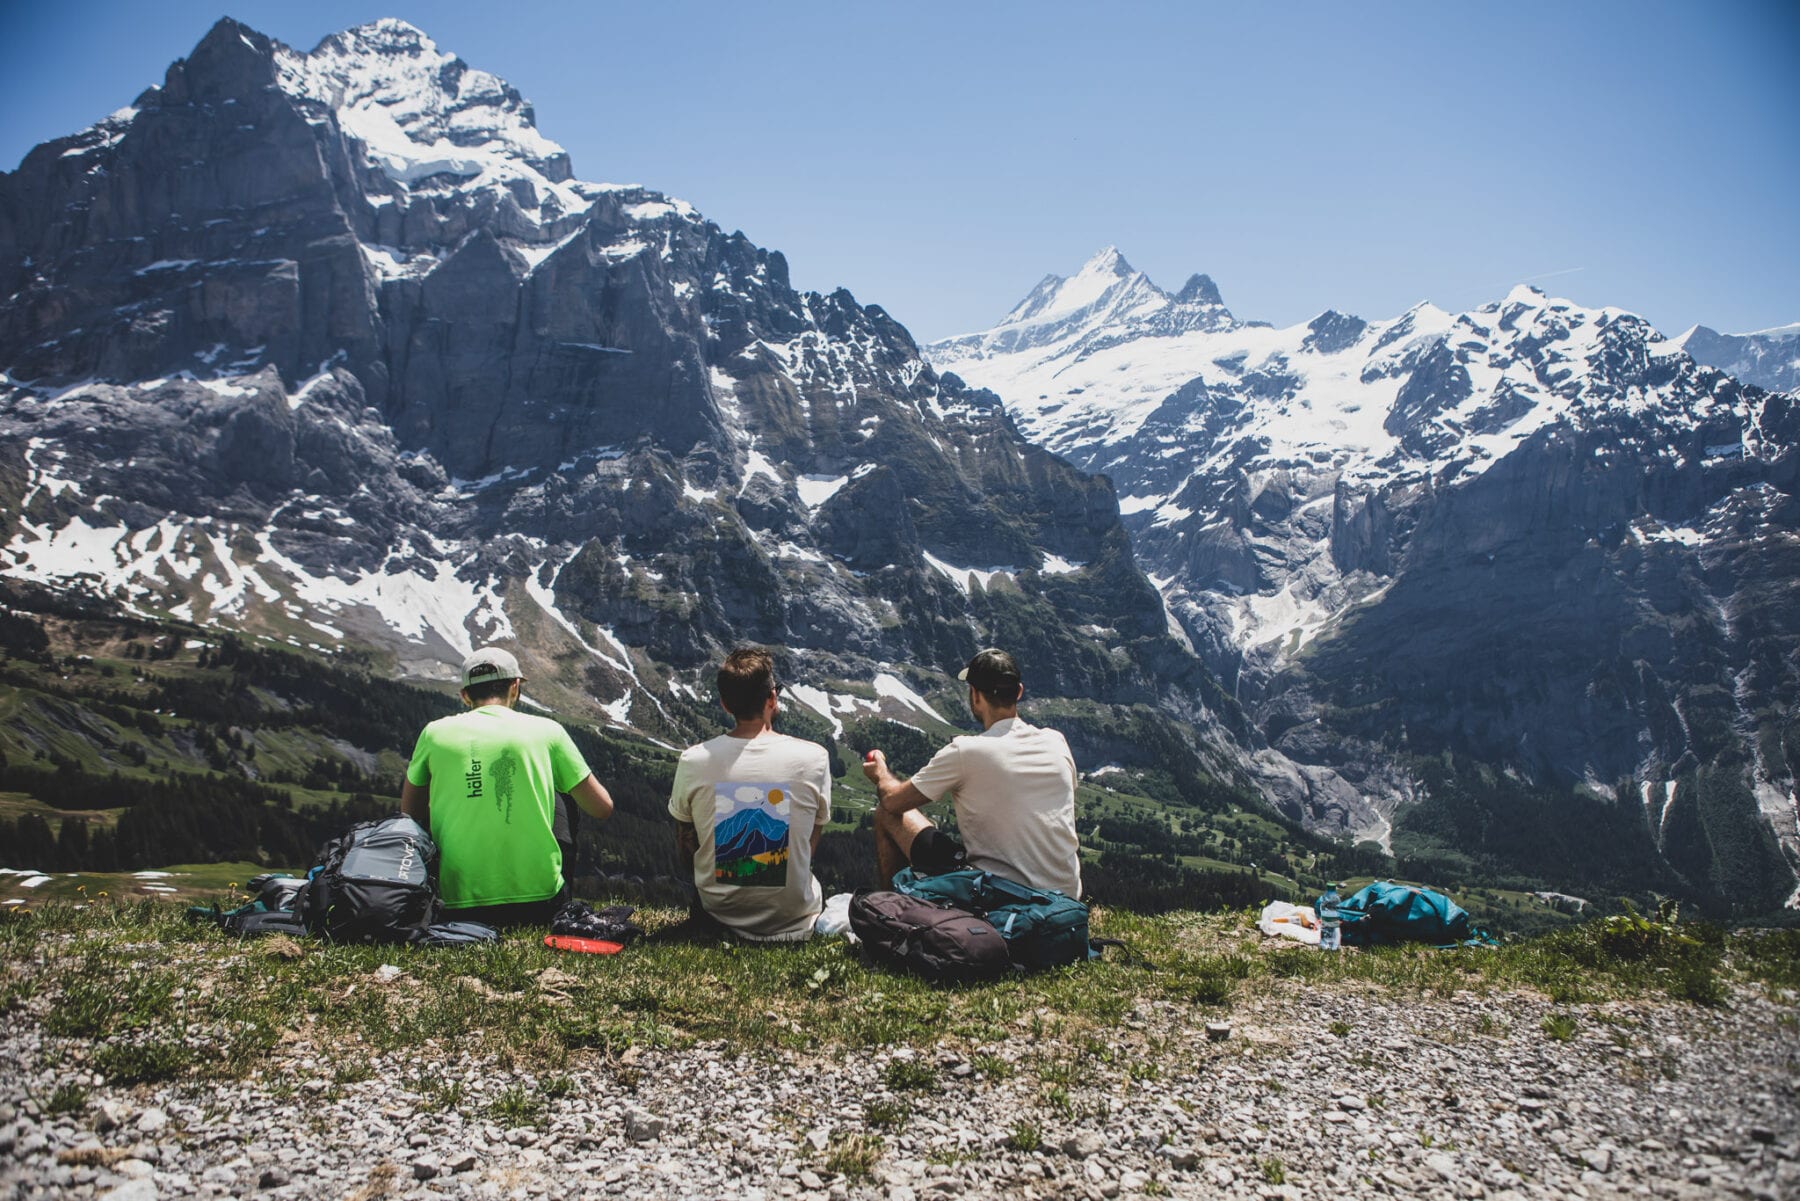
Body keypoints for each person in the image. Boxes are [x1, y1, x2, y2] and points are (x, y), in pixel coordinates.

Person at [400, 647, 613, 926]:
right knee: (564, 795)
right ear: (515, 688)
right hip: (540, 905)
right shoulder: (547, 730)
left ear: (465, 695)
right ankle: (554, 888)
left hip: (455, 907)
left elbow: (408, 815)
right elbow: (601, 808)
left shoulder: (434, 733)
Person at [862, 647, 1082, 897]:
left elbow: (893, 801)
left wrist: (880, 772)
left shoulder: (966, 751)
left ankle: (889, 918)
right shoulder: (1056, 741)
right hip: (1066, 902)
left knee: (886, 813)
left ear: (975, 696)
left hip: (1000, 898)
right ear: (1018, 692)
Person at [668, 647, 831, 941]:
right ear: (772, 698)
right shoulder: (814, 757)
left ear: (725, 705)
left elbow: (685, 840)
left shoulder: (693, 760)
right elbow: (809, 840)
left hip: (718, 913)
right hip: (794, 916)